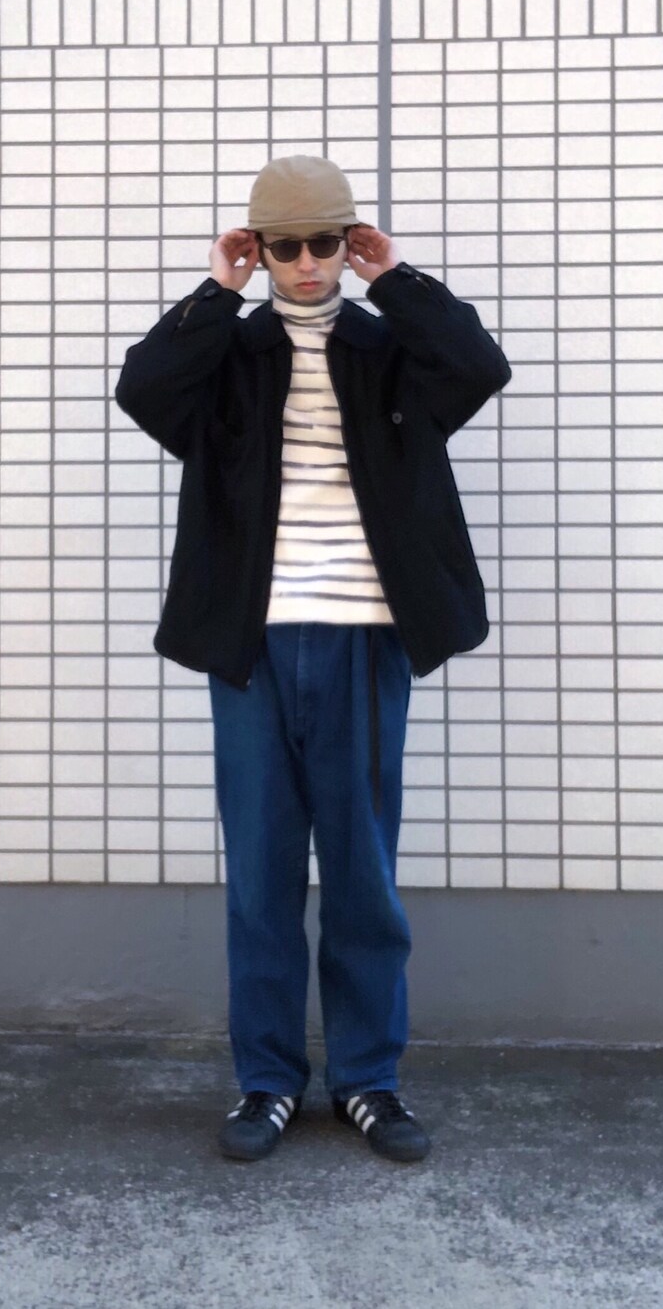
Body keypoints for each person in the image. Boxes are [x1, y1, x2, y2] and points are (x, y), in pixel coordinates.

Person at [114, 155, 511, 1163]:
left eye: (323, 241)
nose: (303, 261)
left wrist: (397, 279)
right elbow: (143, 387)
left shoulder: (388, 350)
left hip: (367, 636)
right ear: (259, 248)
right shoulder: (228, 356)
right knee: (260, 874)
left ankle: (369, 1079)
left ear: (347, 242)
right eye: (283, 244)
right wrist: (218, 288)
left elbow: (478, 366)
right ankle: (267, 1081)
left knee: (362, 874)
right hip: (250, 643)